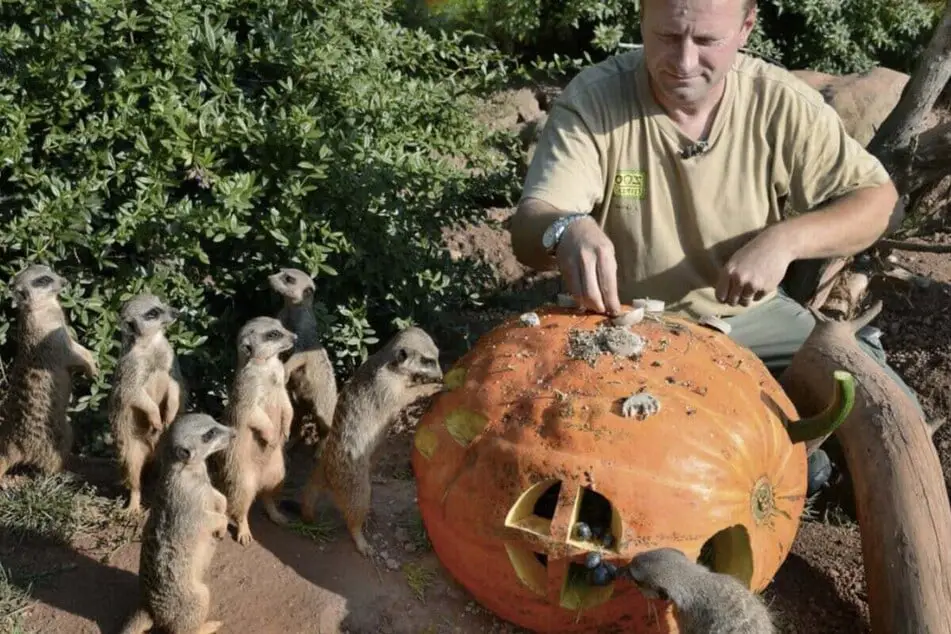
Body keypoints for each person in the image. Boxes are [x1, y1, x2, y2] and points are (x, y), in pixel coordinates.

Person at [507, 0, 926, 494]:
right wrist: (568, 227)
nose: (683, 62)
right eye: (666, 37)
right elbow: (531, 225)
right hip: (627, 330)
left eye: (706, 41)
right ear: (642, 18)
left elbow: (877, 201)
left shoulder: (776, 101)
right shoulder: (595, 101)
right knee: (635, 469)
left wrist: (785, 239)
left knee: (887, 413)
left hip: (751, 323)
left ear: (746, 28)